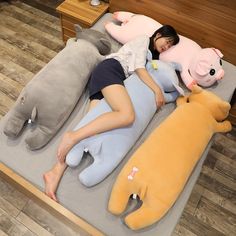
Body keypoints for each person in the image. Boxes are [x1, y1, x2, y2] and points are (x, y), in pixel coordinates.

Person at [43, 25, 179, 201]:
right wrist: (157, 91)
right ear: (158, 34)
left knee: (91, 125)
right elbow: (138, 68)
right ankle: (72, 136)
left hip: (112, 81)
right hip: (111, 70)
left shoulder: (153, 58)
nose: (167, 47)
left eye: (170, 46)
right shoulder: (144, 40)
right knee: (127, 115)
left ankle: (55, 172)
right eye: (167, 42)